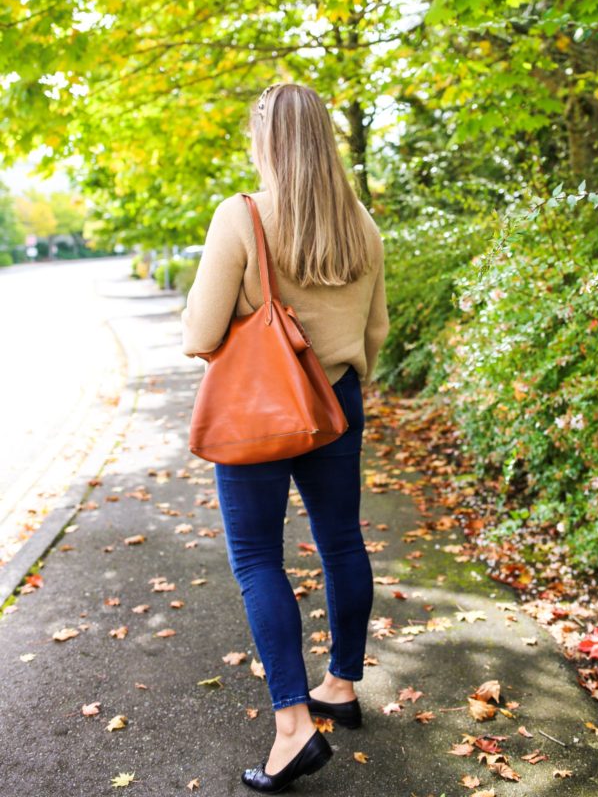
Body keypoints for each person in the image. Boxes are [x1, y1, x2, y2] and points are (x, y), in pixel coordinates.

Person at [180, 82, 390, 793]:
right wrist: (339, 379)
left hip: (261, 411)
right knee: (341, 541)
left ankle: (293, 727)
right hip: (340, 402)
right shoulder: (360, 220)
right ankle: (341, 686)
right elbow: (377, 330)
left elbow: (202, 333)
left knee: (257, 558)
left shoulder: (241, 216)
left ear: (265, 142)